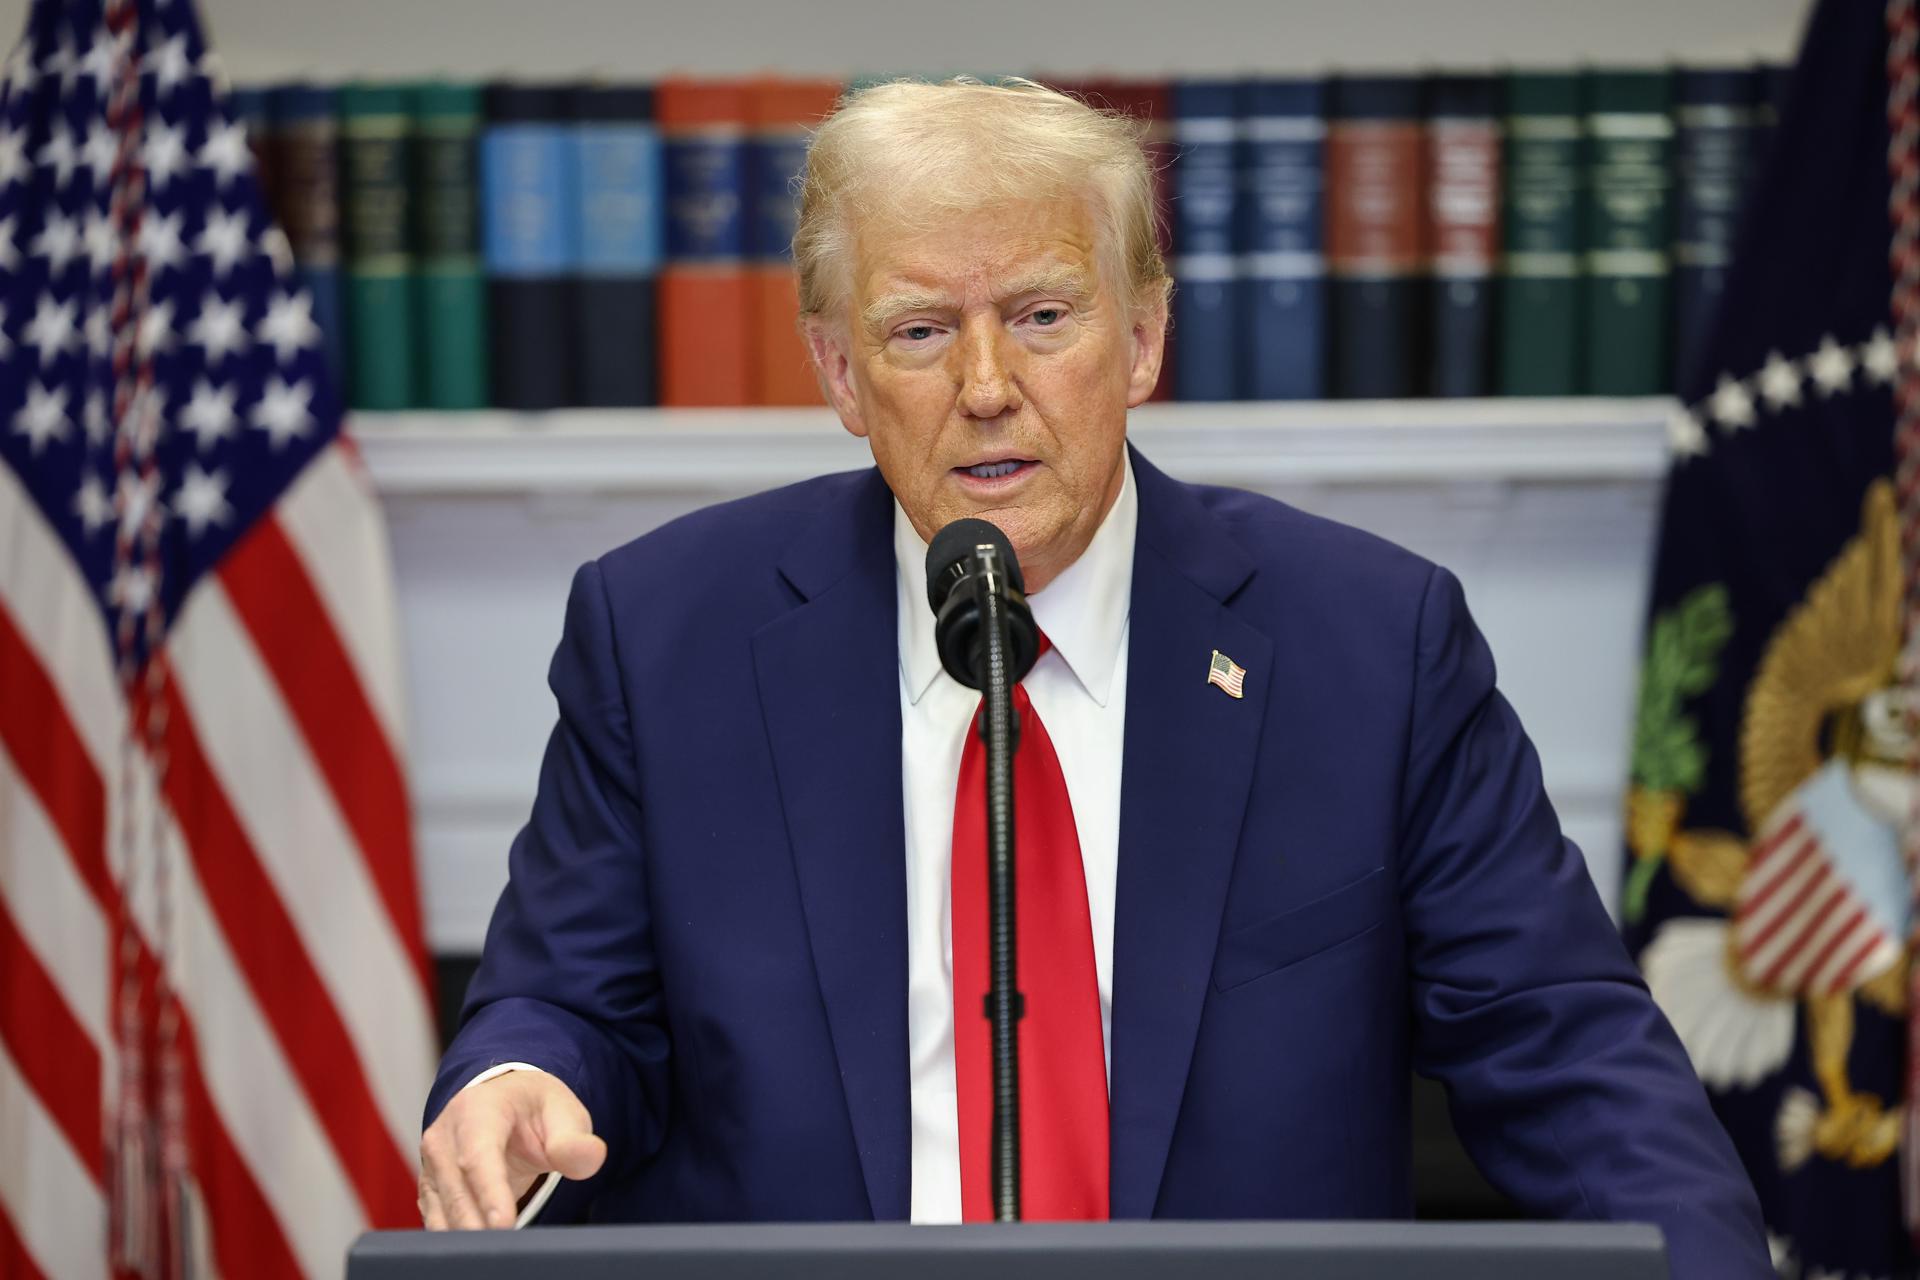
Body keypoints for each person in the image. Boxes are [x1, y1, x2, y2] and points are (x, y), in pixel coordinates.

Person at [419, 77, 1771, 1276]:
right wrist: (520, 1077)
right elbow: (566, 998)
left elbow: (1571, 1049)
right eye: (918, 332)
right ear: (839, 373)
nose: (989, 384)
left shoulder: (1368, 644)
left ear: (1141, 343)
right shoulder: (667, 636)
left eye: (1044, 315)